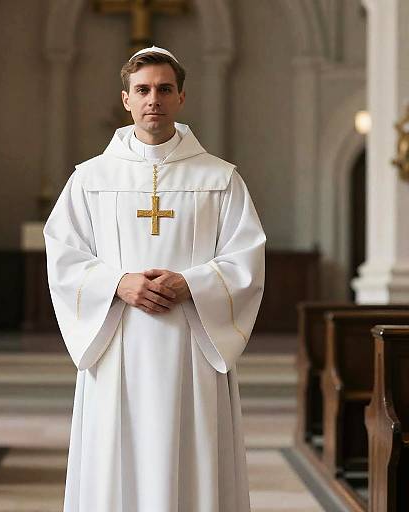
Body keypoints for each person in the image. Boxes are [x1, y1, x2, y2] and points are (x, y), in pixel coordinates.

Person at [44, 45, 266, 512]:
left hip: (191, 342)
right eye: (142, 90)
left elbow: (246, 258)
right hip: (118, 338)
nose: (154, 99)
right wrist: (117, 284)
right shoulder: (91, 178)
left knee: (191, 444)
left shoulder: (220, 178)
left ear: (181, 97)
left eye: (165, 89)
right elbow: (64, 254)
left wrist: (193, 284)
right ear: (125, 99)